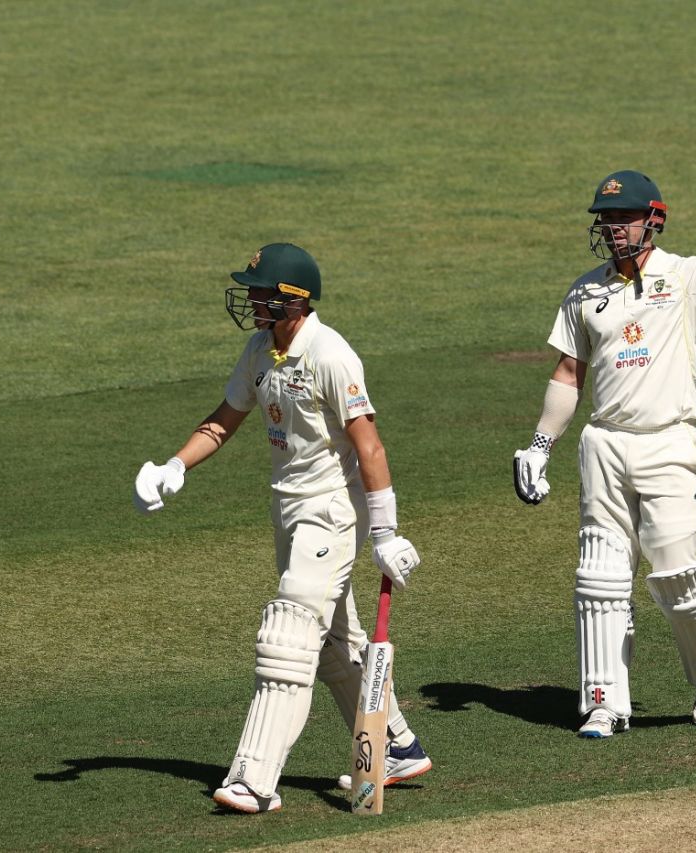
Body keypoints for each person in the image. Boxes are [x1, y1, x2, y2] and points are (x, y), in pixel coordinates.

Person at [133, 242, 432, 812]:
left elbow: (369, 444)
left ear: (293, 299)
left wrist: (386, 532)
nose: (249, 299)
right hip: (288, 512)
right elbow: (223, 421)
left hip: (331, 513)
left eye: (260, 291)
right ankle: (395, 746)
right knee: (335, 645)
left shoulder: (331, 354)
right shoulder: (259, 350)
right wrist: (174, 466)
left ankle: (254, 778)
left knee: (289, 633)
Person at [513, 170, 696, 738]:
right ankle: (603, 701)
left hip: (669, 442)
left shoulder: (689, 275)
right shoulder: (584, 292)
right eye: (606, 220)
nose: (612, 229)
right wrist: (539, 446)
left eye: (622, 218)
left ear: (653, 219)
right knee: (600, 579)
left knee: (677, 573)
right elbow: (568, 373)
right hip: (604, 444)